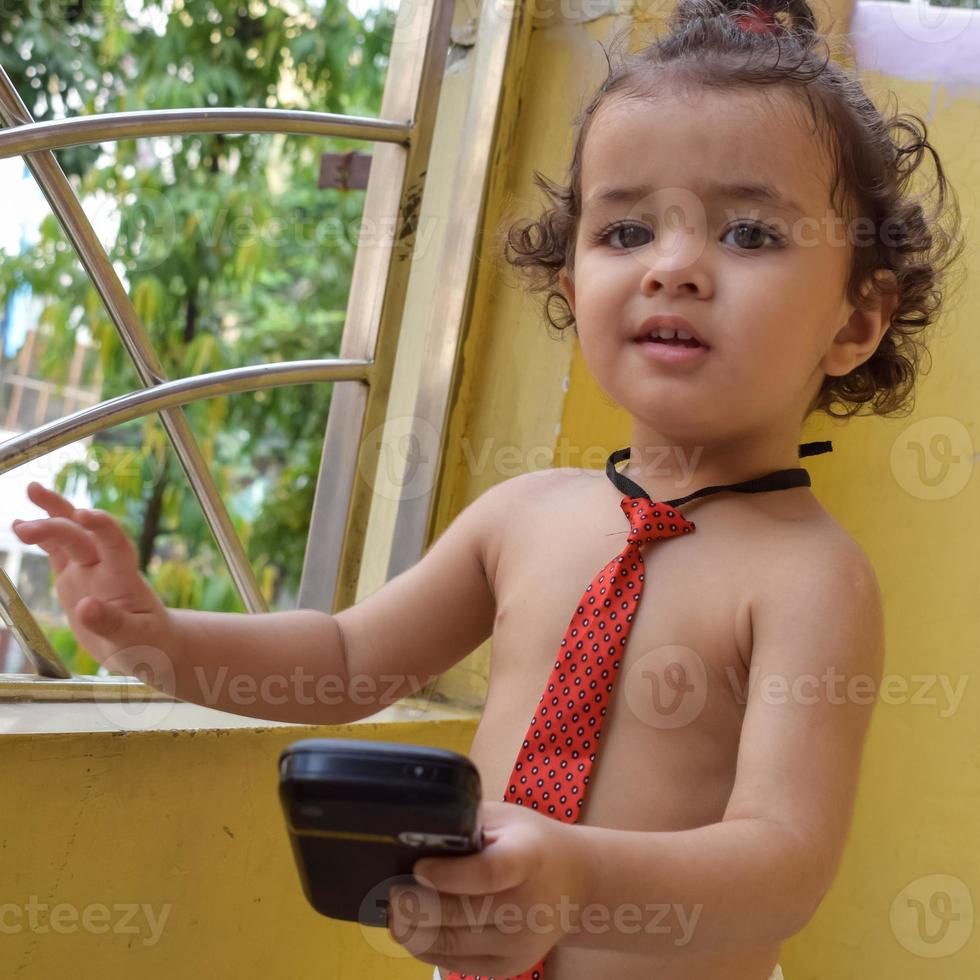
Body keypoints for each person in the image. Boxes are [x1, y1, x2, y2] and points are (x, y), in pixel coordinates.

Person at [11, 0, 965, 977]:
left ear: (856, 320)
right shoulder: (522, 515)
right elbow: (342, 660)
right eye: (627, 228)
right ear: (567, 278)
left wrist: (575, 879)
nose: (673, 268)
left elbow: (783, 861)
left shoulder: (810, 576)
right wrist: (162, 640)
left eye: (751, 234)